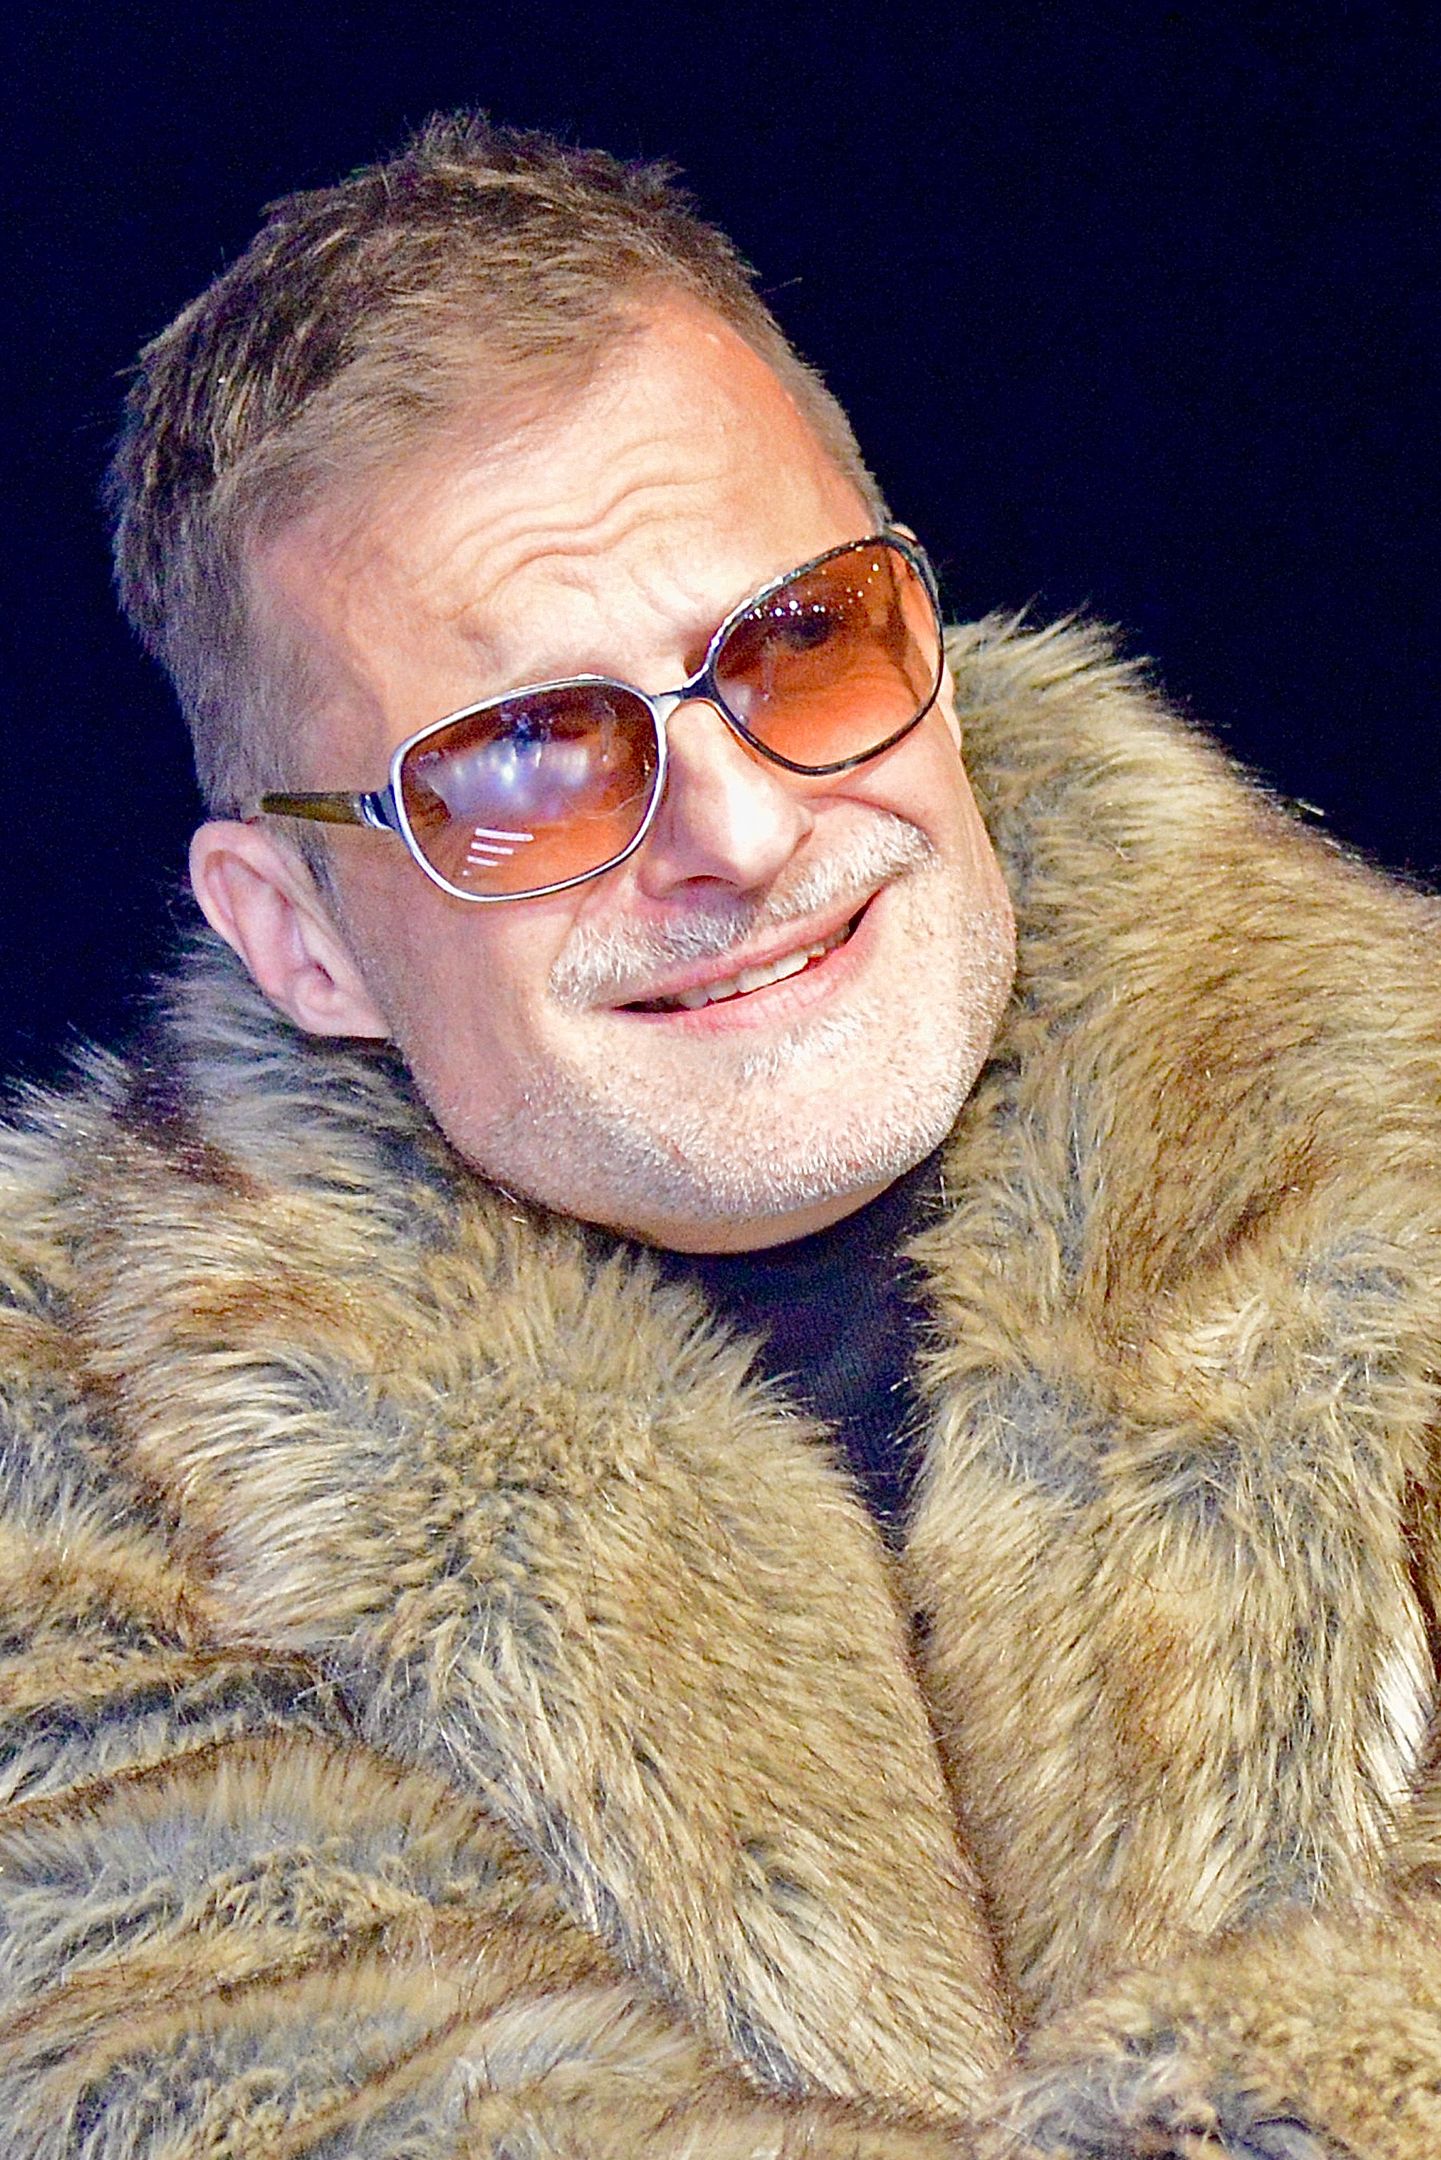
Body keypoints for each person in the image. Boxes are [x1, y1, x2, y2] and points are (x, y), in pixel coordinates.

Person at [1, 112, 1438, 2160]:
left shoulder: (1394, 1123)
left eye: (801, 644)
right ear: (298, 933)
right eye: (526, 759)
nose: (742, 834)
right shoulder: (69, 1473)